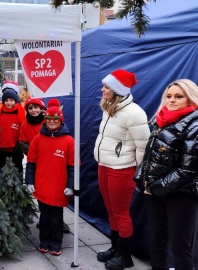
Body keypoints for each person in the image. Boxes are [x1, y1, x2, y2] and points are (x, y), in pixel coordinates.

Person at [134, 79, 198, 270]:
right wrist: (144, 181)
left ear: (191, 98)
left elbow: (188, 169)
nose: (172, 100)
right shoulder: (160, 119)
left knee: (181, 248)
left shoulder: (195, 126)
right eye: (169, 96)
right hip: (155, 193)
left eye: (179, 96)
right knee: (157, 241)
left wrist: (154, 187)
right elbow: (150, 157)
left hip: (181, 196)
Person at [93, 69, 150, 270]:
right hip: (104, 166)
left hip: (121, 170)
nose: (102, 89)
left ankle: (125, 256)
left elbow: (143, 146)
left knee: (121, 213)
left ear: (117, 90)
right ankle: (115, 248)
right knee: (111, 211)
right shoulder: (108, 108)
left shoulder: (134, 113)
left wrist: (139, 174)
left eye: (106, 86)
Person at [24, 98, 75, 256]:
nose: (52, 122)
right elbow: (31, 163)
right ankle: (44, 241)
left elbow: (72, 167)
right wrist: (29, 182)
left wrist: (71, 185)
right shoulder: (37, 140)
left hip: (59, 188)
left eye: (55, 119)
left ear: (60, 120)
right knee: (44, 218)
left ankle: (56, 243)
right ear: (45, 121)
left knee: (56, 219)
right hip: (42, 187)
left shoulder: (69, 141)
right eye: (49, 119)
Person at [0, 89, 26, 172]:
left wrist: (19, 145)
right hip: (0, 151)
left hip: (15, 151)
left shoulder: (21, 114)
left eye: (11, 100)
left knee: (16, 173)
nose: (9, 103)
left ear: (15, 101)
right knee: (0, 174)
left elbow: (24, 131)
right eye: (6, 100)